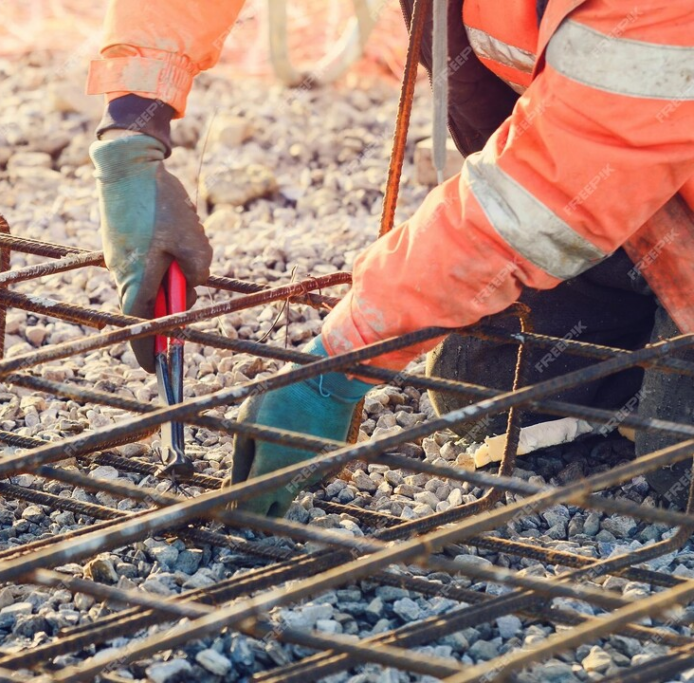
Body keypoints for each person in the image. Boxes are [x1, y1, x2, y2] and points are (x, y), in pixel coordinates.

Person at [86, 0, 694, 517]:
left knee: (679, 483)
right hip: (627, 199)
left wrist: (340, 362)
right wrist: (133, 125)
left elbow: (544, 195)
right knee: (484, 393)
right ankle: (645, 336)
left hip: (597, 178)